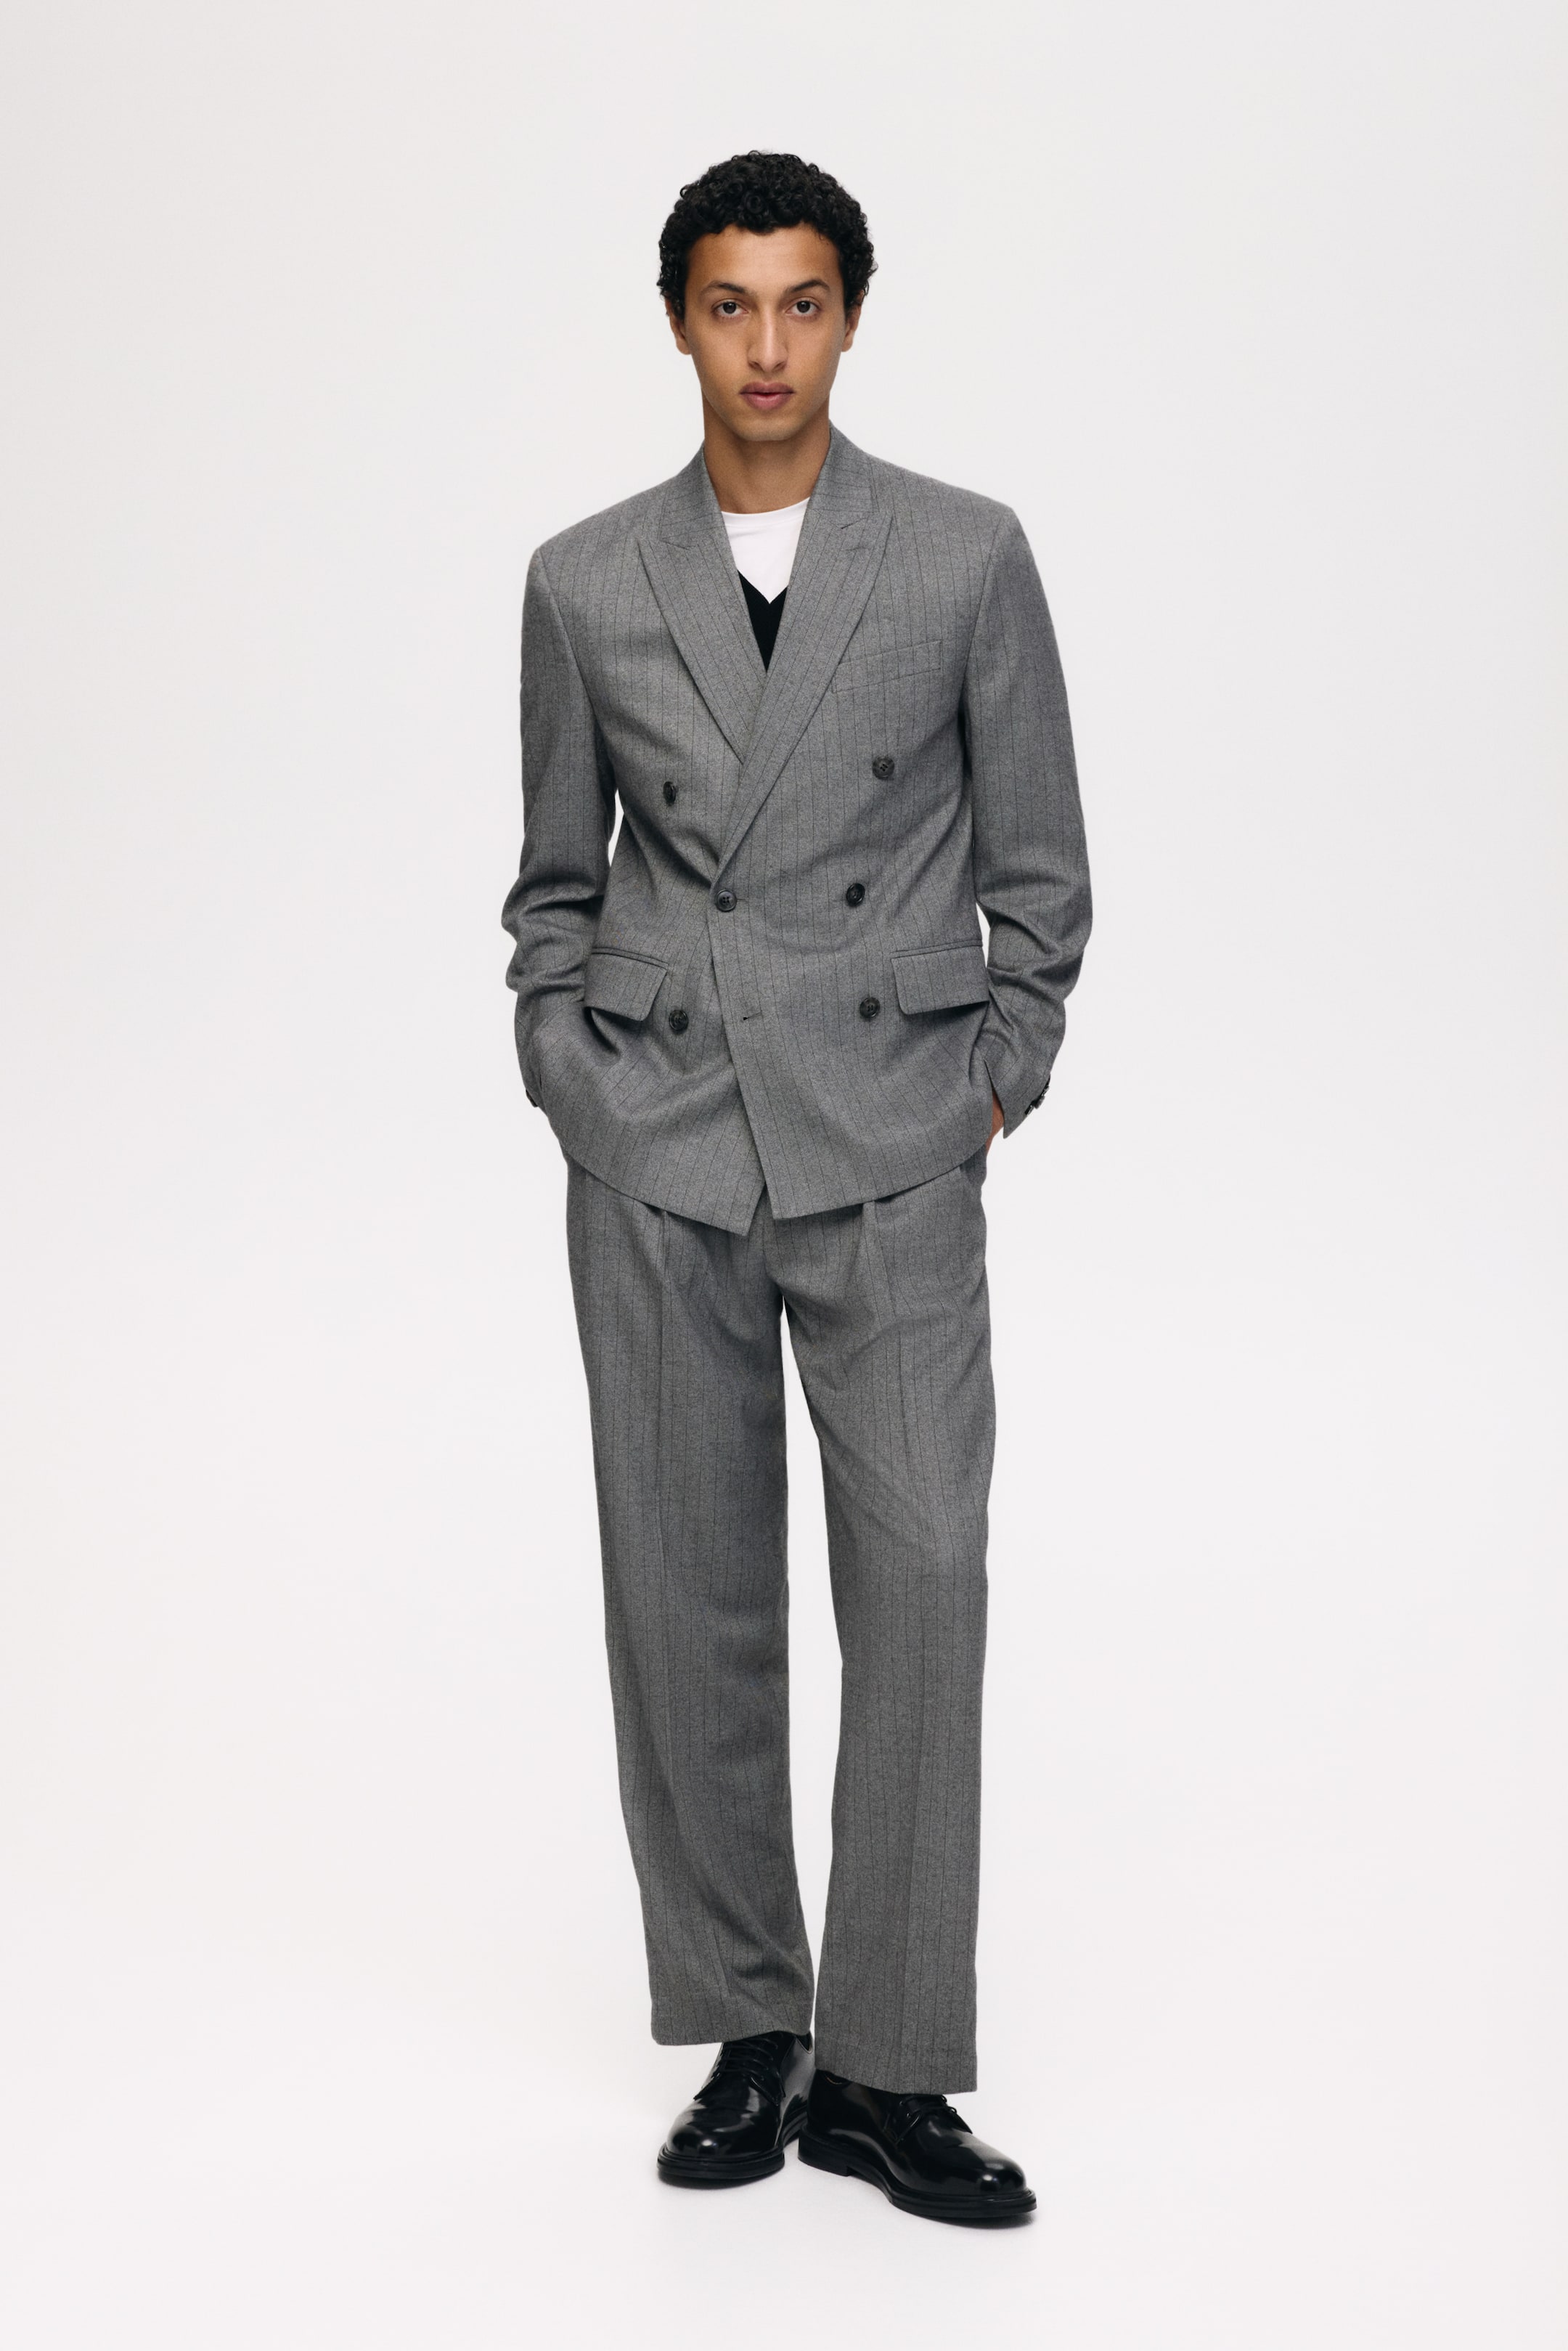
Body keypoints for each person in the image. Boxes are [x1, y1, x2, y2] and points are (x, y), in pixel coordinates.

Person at [502, 150, 1090, 2226]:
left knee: (925, 1573)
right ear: (680, 321)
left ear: (852, 316)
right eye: (731, 304)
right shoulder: (585, 579)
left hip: (891, 1133)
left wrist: (993, 1079)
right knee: (688, 1587)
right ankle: (754, 2027)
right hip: (661, 1134)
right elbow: (552, 883)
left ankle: (888, 2068)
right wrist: (568, 1071)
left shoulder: (962, 555)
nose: (768, 345)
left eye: (805, 302)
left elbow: (1040, 867)